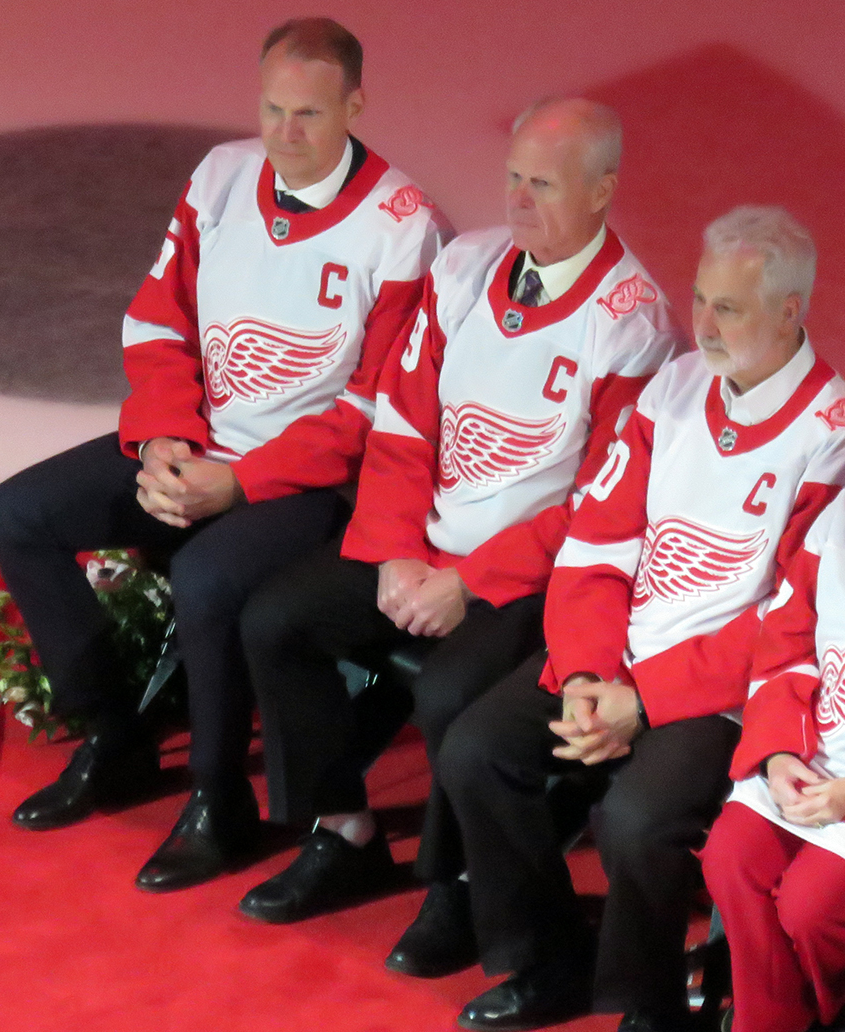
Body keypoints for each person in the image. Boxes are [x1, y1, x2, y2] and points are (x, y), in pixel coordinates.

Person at [0, 17, 451, 893]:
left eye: (309, 114)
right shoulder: (220, 177)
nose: (285, 134)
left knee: (208, 579)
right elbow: (160, 317)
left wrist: (239, 482)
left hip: (307, 483)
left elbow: (376, 409)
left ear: (356, 104)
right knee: (18, 513)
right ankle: (113, 737)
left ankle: (217, 798)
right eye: (272, 109)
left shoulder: (402, 227)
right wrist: (164, 437)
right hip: (196, 442)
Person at [235, 98, 682, 936]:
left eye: (542, 184)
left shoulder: (633, 324)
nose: (517, 201)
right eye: (512, 178)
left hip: (528, 580)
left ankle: (457, 885)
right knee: (277, 620)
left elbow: (603, 505)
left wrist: (468, 584)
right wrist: (399, 554)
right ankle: (342, 831)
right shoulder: (466, 269)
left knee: (449, 692)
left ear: (602, 192)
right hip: (424, 546)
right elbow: (403, 425)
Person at [435, 205, 845, 1032]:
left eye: (727, 307)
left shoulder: (828, 430)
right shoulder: (676, 384)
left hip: (718, 693)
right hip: (616, 657)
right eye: (700, 298)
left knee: (635, 821)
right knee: (476, 751)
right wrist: (588, 671)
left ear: (791, 310)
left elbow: (788, 620)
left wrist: (646, 699)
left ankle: (648, 1006)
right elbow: (596, 539)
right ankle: (548, 961)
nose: (702, 323)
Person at [703, 485, 845, 1032]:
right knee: (731, 856)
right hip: (818, 752)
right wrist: (779, 752)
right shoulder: (835, 521)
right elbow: (787, 642)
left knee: (811, 908)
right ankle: (768, 1020)